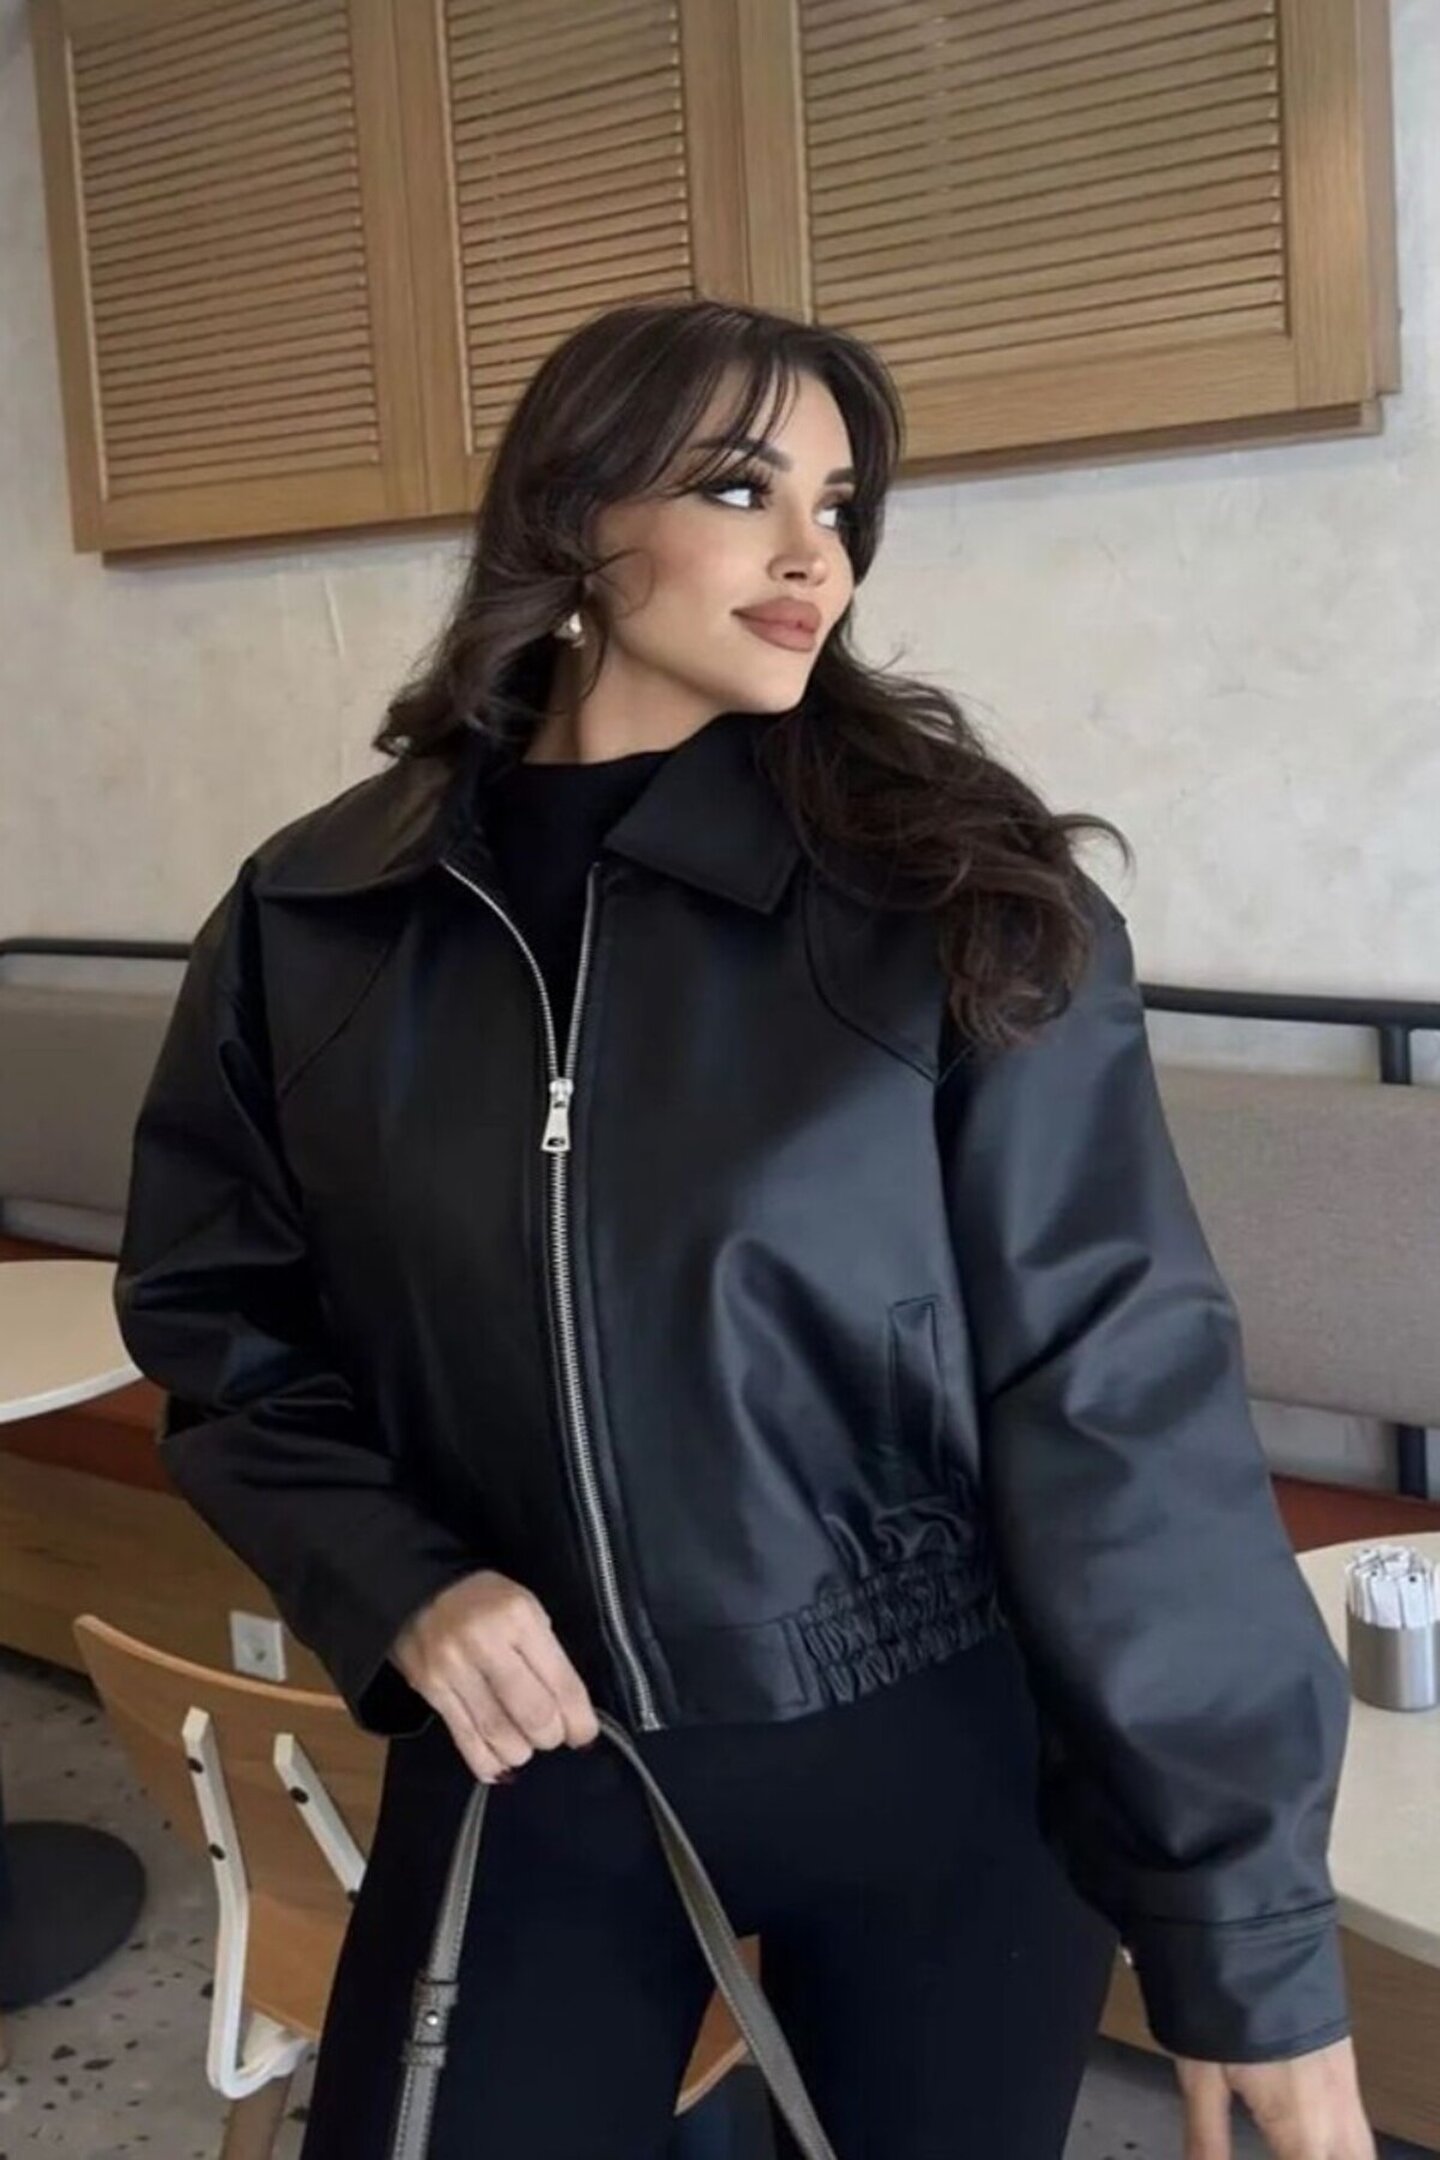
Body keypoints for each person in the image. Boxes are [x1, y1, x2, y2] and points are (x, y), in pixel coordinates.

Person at [113, 298, 1375, 2160]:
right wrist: (397, 1580)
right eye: (738, 487)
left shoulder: (951, 898)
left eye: (840, 505)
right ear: (572, 516)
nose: (815, 557)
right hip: (542, 1755)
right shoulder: (319, 918)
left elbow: (1115, 1404)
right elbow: (222, 1328)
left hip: (938, 1759)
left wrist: (1247, 1928)